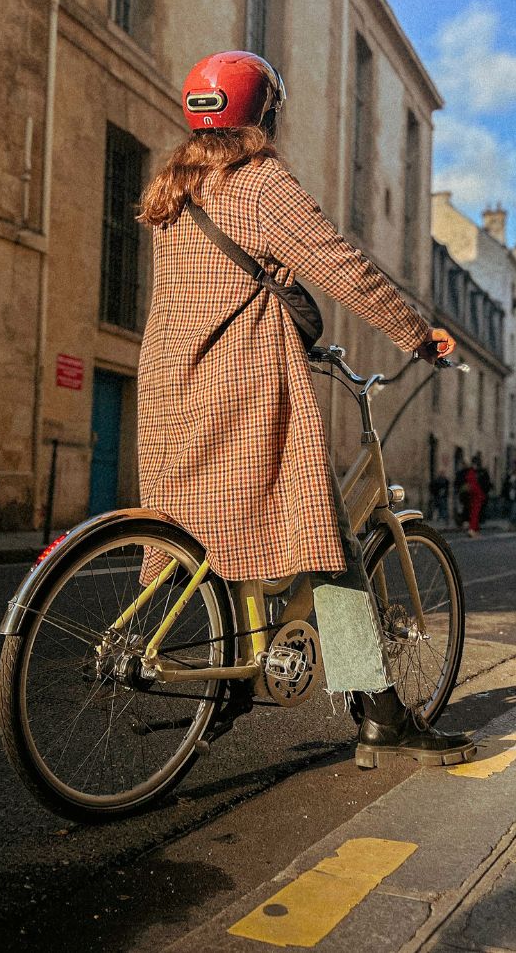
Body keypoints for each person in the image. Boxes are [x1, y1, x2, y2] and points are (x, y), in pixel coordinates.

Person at [134, 50, 473, 767]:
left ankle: (229, 680)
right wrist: (417, 334)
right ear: (265, 114)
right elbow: (339, 264)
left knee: (216, 531)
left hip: (171, 386)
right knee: (324, 541)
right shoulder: (259, 182)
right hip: (242, 387)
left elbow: (205, 295)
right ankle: (380, 714)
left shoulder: (172, 189)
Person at [462, 454, 488, 537]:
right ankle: (472, 529)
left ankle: (475, 529)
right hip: (476, 494)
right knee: (475, 513)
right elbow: (484, 484)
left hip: (473, 494)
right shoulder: (478, 472)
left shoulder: (470, 472)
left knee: (475, 512)